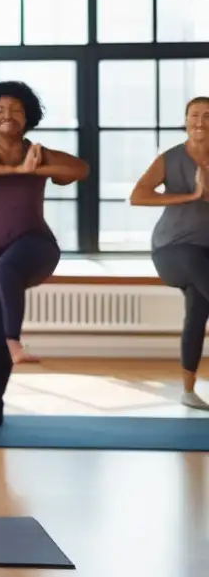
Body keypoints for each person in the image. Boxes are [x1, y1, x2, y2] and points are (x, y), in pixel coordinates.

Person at [0, 80, 88, 428]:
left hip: (34, 246)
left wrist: (37, 168)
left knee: (8, 268)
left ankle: (14, 341)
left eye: (15, 110)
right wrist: (14, 171)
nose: (7, 115)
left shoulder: (38, 154)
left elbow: (79, 169)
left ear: (27, 117)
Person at [130, 96, 209, 411]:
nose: (200, 121)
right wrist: (190, 195)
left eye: (207, 115)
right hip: (172, 250)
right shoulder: (170, 158)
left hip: (205, 256)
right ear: (186, 120)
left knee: (198, 312)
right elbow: (138, 196)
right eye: (194, 115)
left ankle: (188, 391)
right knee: (192, 261)